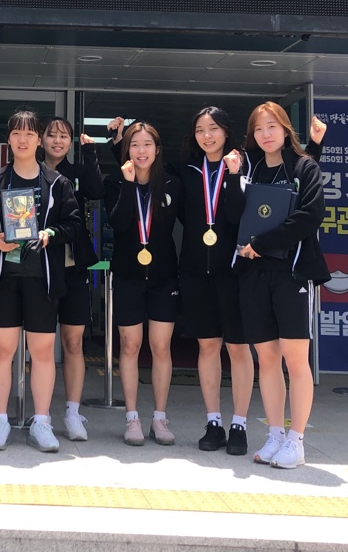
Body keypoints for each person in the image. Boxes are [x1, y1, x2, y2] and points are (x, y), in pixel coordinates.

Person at [0, 109, 81, 453]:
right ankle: (0, 420)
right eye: (17, 133)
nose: (23, 139)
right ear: (9, 138)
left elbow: (73, 223)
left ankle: (42, 422)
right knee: (1, 349)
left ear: (39, 140)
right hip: (4, 278)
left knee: (43, 351)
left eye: (30, 133)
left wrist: (50, 233)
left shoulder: (57, 183)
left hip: (41, 278)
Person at [230, 101, 328, 469]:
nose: (265, 134)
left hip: (293, 273)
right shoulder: (250, 169)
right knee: (267, 358)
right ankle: (274, 434)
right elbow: (236, 214)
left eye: (272, 126)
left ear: (286, 129)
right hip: (254, 273)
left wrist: (262, 243)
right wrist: (233, 177)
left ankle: (296, 440)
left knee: (295, 358)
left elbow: (310, 216)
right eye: (258, 129)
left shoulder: (305, 166)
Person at [178, 107, 252, 456]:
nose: (206, 136)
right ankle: (213, 422)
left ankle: (239, 424)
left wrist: (235, 176)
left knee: (237, 348)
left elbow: (237, 215)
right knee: (207, 346)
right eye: (200, 130)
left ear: (226, 131)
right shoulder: (189, 171)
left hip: (233, 272)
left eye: (213, 129)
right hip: (196, 272)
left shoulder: (243, 166)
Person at [106, 121, 182, 446]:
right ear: (127, 150)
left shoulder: (172, 183)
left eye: (147, 144)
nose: (141, 150)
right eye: (135, 144)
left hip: (164, 275)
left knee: (161, 346)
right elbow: (119, 223)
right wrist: (127, 184)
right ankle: (132, 417)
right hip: (127, 275)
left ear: (157, 149)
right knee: (130, 345)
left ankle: (160, 417)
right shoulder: (115, 181)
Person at [39, 116, 104, 442]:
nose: (57, 141)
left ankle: (73, 412)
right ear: (41, 139)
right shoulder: (30, 171)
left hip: (73, 266)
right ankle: (40, 414)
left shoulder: (77, 172)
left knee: (73, 341)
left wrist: (91, 154)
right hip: (39, 266)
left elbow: (96, 191)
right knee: (39, 344)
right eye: (51, 135)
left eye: (64, 136)